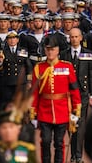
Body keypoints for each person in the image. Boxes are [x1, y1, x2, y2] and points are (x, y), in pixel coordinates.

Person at [31, 35, 81, 163]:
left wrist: (76, 110)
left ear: (58, 50)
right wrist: (33, 113)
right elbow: (35, 93)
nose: (50, 52)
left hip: (62, 111)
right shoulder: (39, 68)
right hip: (44, 111)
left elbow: (74, 90)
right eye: (47, 49)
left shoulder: (67, 67)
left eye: (52, 49)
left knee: (59, 143)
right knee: (46, 141)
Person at [60, 28, 92, 163]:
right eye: (72, 37)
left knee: (80, 124)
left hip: (83, 93)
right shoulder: (64, 55)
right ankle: (73, 155)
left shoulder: (88, 54)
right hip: (68, 94)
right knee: (71, 123)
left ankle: (78, 155)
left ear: (81, 38)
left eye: (76, 37)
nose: (74, 39)